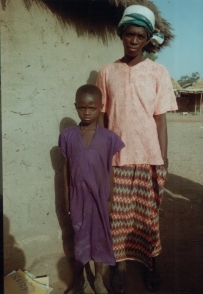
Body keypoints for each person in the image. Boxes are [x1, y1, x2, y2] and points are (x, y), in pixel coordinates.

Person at [96, 4, 178, 293]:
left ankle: (152, 264)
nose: (133, 40)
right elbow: (104, 119)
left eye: (140, 36)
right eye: (129, 34)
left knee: (147, 215)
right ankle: (118, 268)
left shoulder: (158, 72)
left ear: (147, 39)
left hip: (148, 156)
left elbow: (161, 120)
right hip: (116, 156)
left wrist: (163, 158)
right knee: (117, 216)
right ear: (121, 35)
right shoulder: (107, 73)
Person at [58, 84, 125, 294]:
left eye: (92, 108)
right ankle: (82, 279)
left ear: (100, 107)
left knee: (99, 237)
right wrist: (67, 197)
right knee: (80, 236)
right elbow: (65, 169)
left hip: (99, 197)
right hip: (78, 197)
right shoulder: (68, 136)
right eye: (82, 108)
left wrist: (110, 196)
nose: (87, 112)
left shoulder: (108, 137)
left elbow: (110, 170)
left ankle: (98, 279)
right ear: (75, 107)